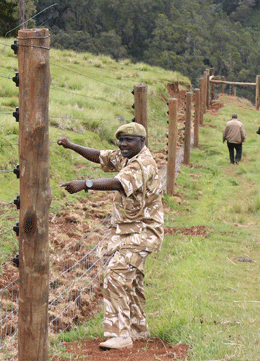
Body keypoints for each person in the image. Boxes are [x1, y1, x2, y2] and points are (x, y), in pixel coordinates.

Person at [58, 122, 164, 350]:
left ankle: (120, 335)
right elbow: (100, 157)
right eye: (121, 140)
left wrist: (85, 184)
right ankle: (138, 330)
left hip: (143, 231)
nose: (123, 144)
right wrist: (71, 145)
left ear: (142, 142)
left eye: (129, 140)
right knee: (131, 280)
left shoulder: (143, 163)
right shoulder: (126, 157)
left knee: (115, 274)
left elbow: (118, 182)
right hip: (128, 231)